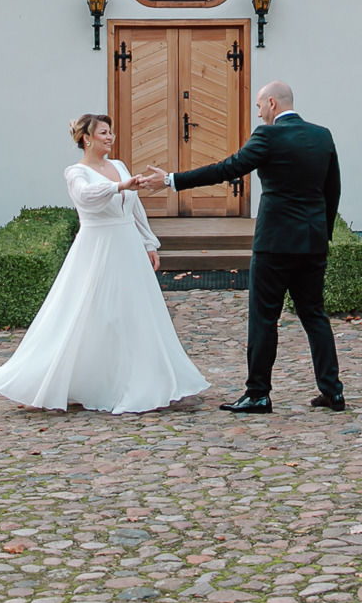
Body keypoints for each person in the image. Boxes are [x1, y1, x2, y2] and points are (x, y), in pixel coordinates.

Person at [141, 80, 343, 414]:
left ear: (274, 104)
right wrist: (323, 233)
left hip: (275, 244)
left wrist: (171, 180)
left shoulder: (267, 136)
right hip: (312, 241)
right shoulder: (323, 135)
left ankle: (258, 394)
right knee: (315, 316)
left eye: (260, 105)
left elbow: (227, 169)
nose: (259, 111)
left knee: (264, 318)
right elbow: (332, 189)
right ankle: (333, 391)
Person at [0, 113, 209, 414]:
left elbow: (134, 209)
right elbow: (85, 196)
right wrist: (118, 187)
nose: (109, 137)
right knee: (91, 312)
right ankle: (79, 380)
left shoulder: (118, 166)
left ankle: (142, 380)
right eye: (103, 132)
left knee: (135, 312)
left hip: (127, 245)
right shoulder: (75, 172)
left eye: (110, 132)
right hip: (96, 248)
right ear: (86, 138)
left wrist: (149, 242)